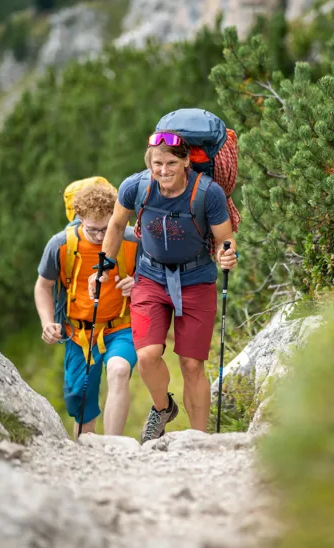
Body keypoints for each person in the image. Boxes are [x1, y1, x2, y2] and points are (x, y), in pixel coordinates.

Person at [91, 131, 238, 443]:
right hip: (150, 277)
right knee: (147, 355)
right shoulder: (136, 187)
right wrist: (106, 262)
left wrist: (227, 255)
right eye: (157, 163)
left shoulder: (207, 193)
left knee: (192, 365)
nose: (163, 170)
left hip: (197, 280)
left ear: (186, 162)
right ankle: (163, 408)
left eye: (171, 163)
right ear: (149, 163)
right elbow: (116, 224)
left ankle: (198, 440)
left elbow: (224, 239)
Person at [34, 182, 139, 438]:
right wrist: (47, 322)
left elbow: (155, 280)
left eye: (107, 228)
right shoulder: (61, 244)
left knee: (119, 370)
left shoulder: (133, 240)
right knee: (80, 403)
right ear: (79, 217)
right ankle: (87, 452)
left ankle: (113, 448)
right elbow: (43, 286)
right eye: (93, 230)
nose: (101, 237)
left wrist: (138, 284)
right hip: (79, 335)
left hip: (122, 327)